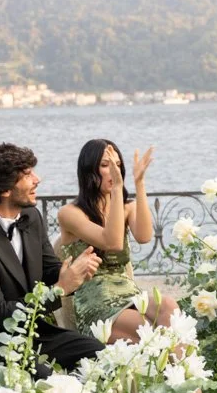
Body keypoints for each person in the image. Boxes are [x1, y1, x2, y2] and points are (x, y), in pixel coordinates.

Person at [0, 143, 104, 372]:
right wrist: (59, 289)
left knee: (97, 353)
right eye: (27, 175)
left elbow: (49, 268)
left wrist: (74, 270)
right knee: (42, 374)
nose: (37, 179)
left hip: (35, 332)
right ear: (4, 189)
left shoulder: (31, 216)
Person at [57, 139, 178, 342]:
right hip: (94, 301)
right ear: (89, 171)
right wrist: (116, 190)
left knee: (169, 308)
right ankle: (174, 370)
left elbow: (144, 236)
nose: (114, 170)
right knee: (145, 328)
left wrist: (139, 183)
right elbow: (112, 242)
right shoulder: (70, 213)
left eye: (118, 165)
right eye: (106, 165)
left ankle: (182, 371)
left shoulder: (126, 208)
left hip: (127, 290)